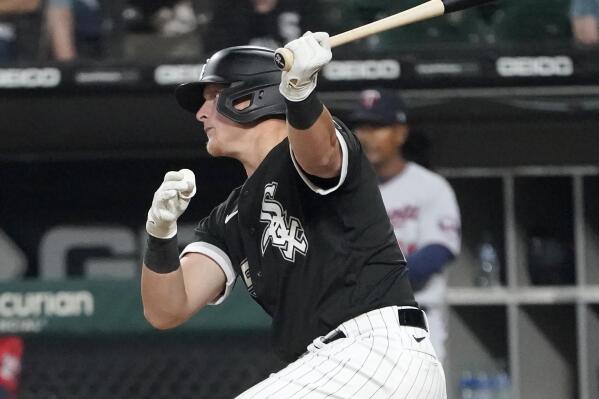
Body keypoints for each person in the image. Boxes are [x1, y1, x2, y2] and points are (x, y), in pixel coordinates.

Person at [140, 33, 447, 398]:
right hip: (341, 368)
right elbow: (166, 310)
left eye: (211, 97)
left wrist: (300, 92)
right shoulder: (231, 217)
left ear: (249, 97)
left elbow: (321, 157)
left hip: (374, 351)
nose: (201, 113)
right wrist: (159, 233)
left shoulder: (305, 150)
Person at [349, 88, 461, 364]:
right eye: (362, 126)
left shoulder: (430, 186)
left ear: (400, 133)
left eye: (378, 126)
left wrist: (373, 281)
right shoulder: (346, 192)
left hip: (416, 321)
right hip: (358, 325)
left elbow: (436, 254)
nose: (367, 136)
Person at [202, 0, 322, 55]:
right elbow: (213, 50)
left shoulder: (303, 6)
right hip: (243, 79)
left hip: (295, 77)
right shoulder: (229, 9)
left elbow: (320, 42)